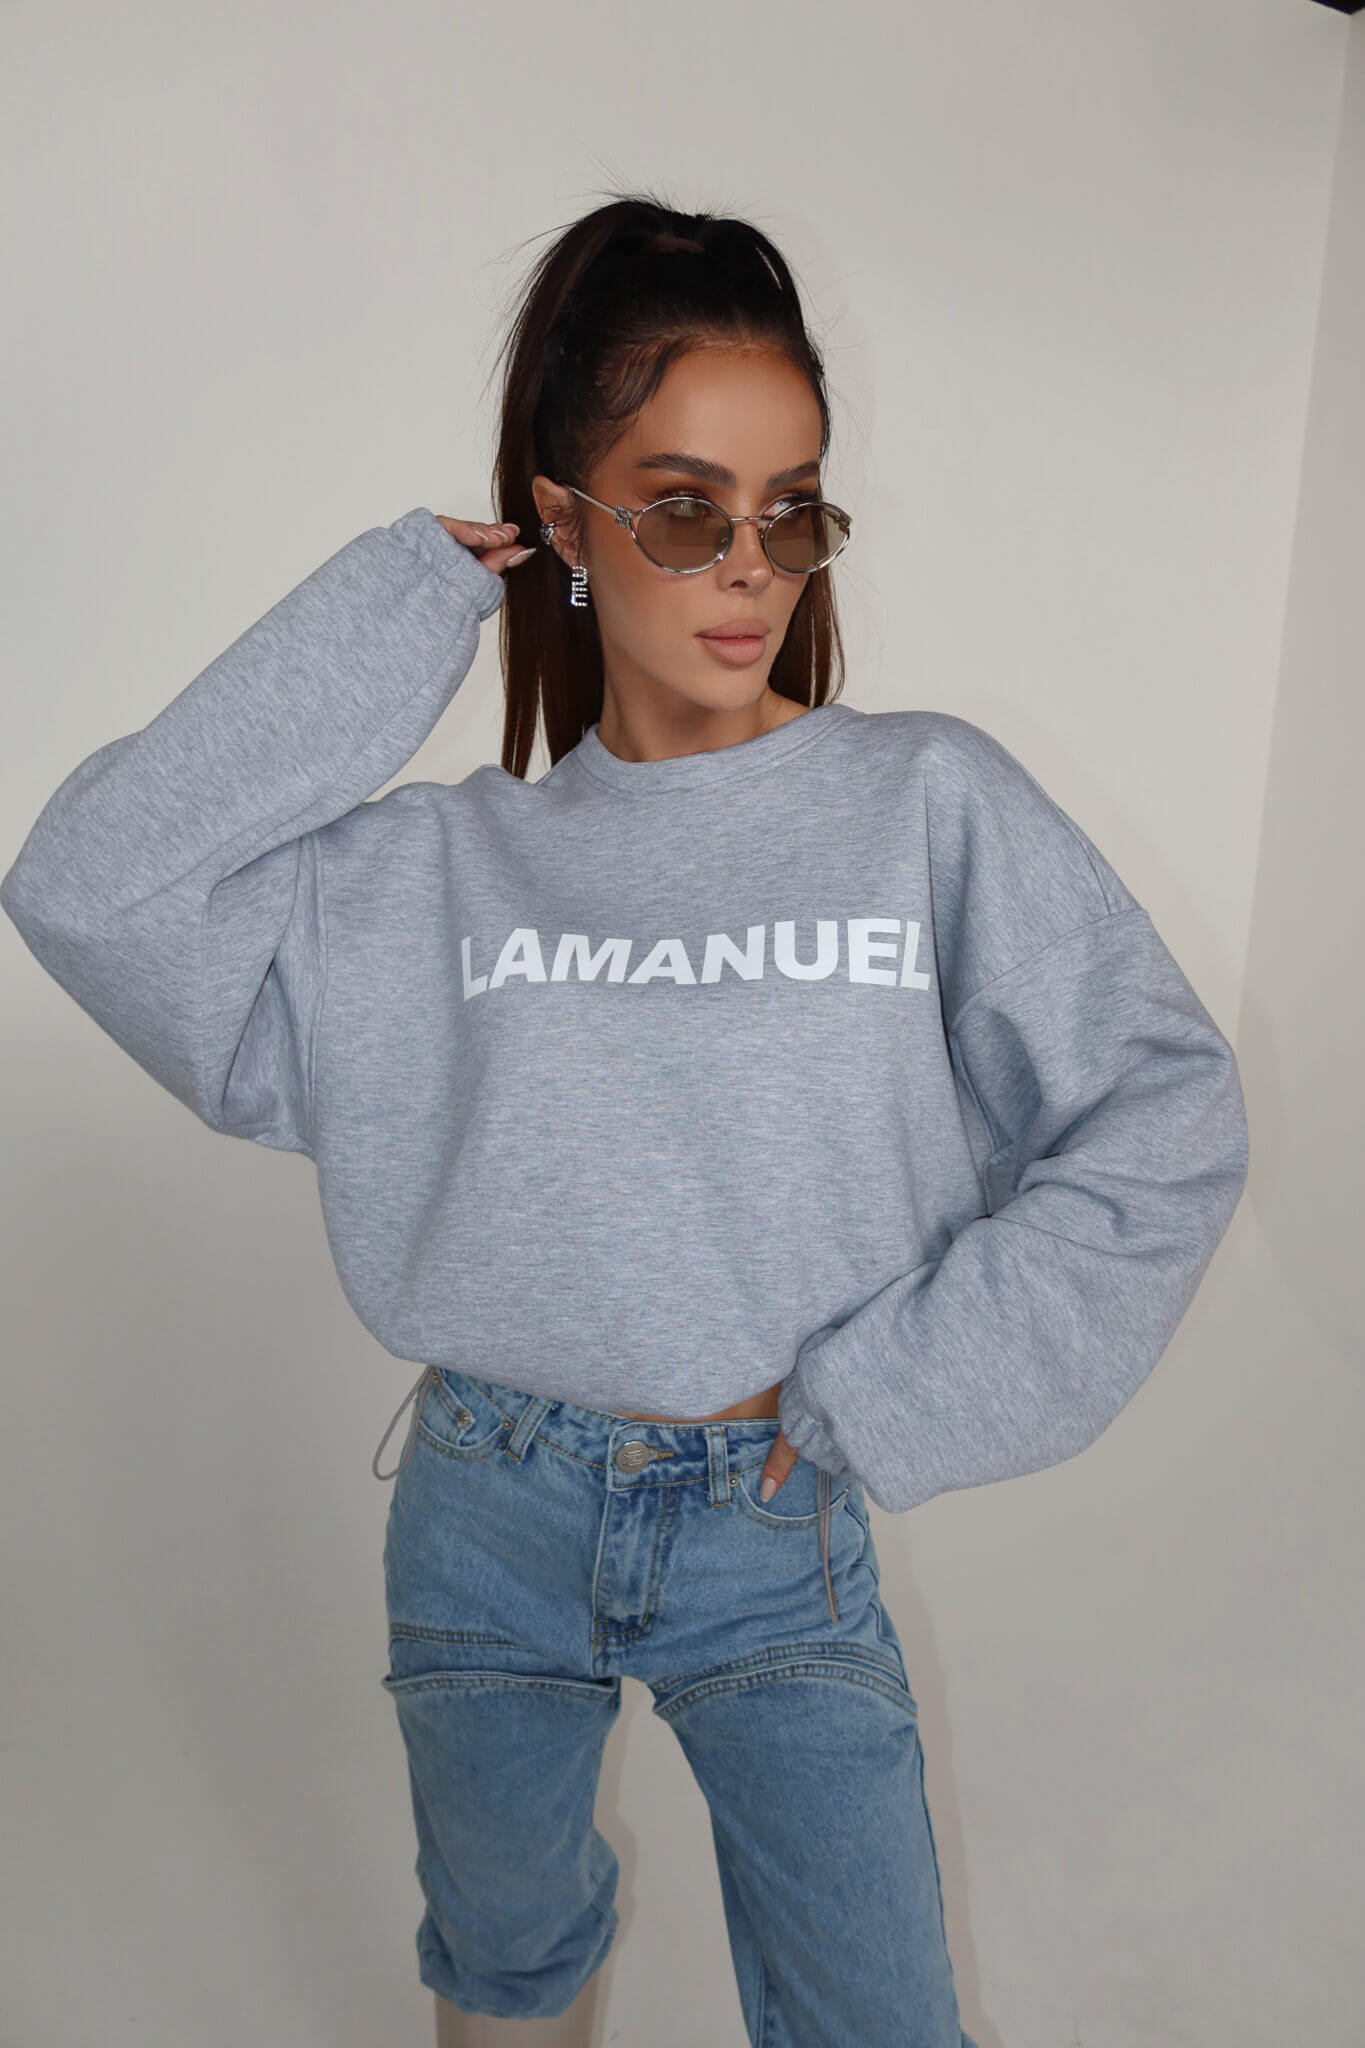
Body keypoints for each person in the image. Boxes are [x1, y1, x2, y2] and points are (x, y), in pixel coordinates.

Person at [1, 192, 1248, 2048]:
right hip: (484, 1508)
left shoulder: (926, 802)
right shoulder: (431, 874)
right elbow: (88, 889)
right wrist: (397, 603)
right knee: (505, 1958)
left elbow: (1160, 1119)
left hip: (775, 1510)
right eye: (680, 509)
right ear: (567, 525)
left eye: (790, 511)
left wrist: (896, 1394)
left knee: (876, 2014)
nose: (749, 569)